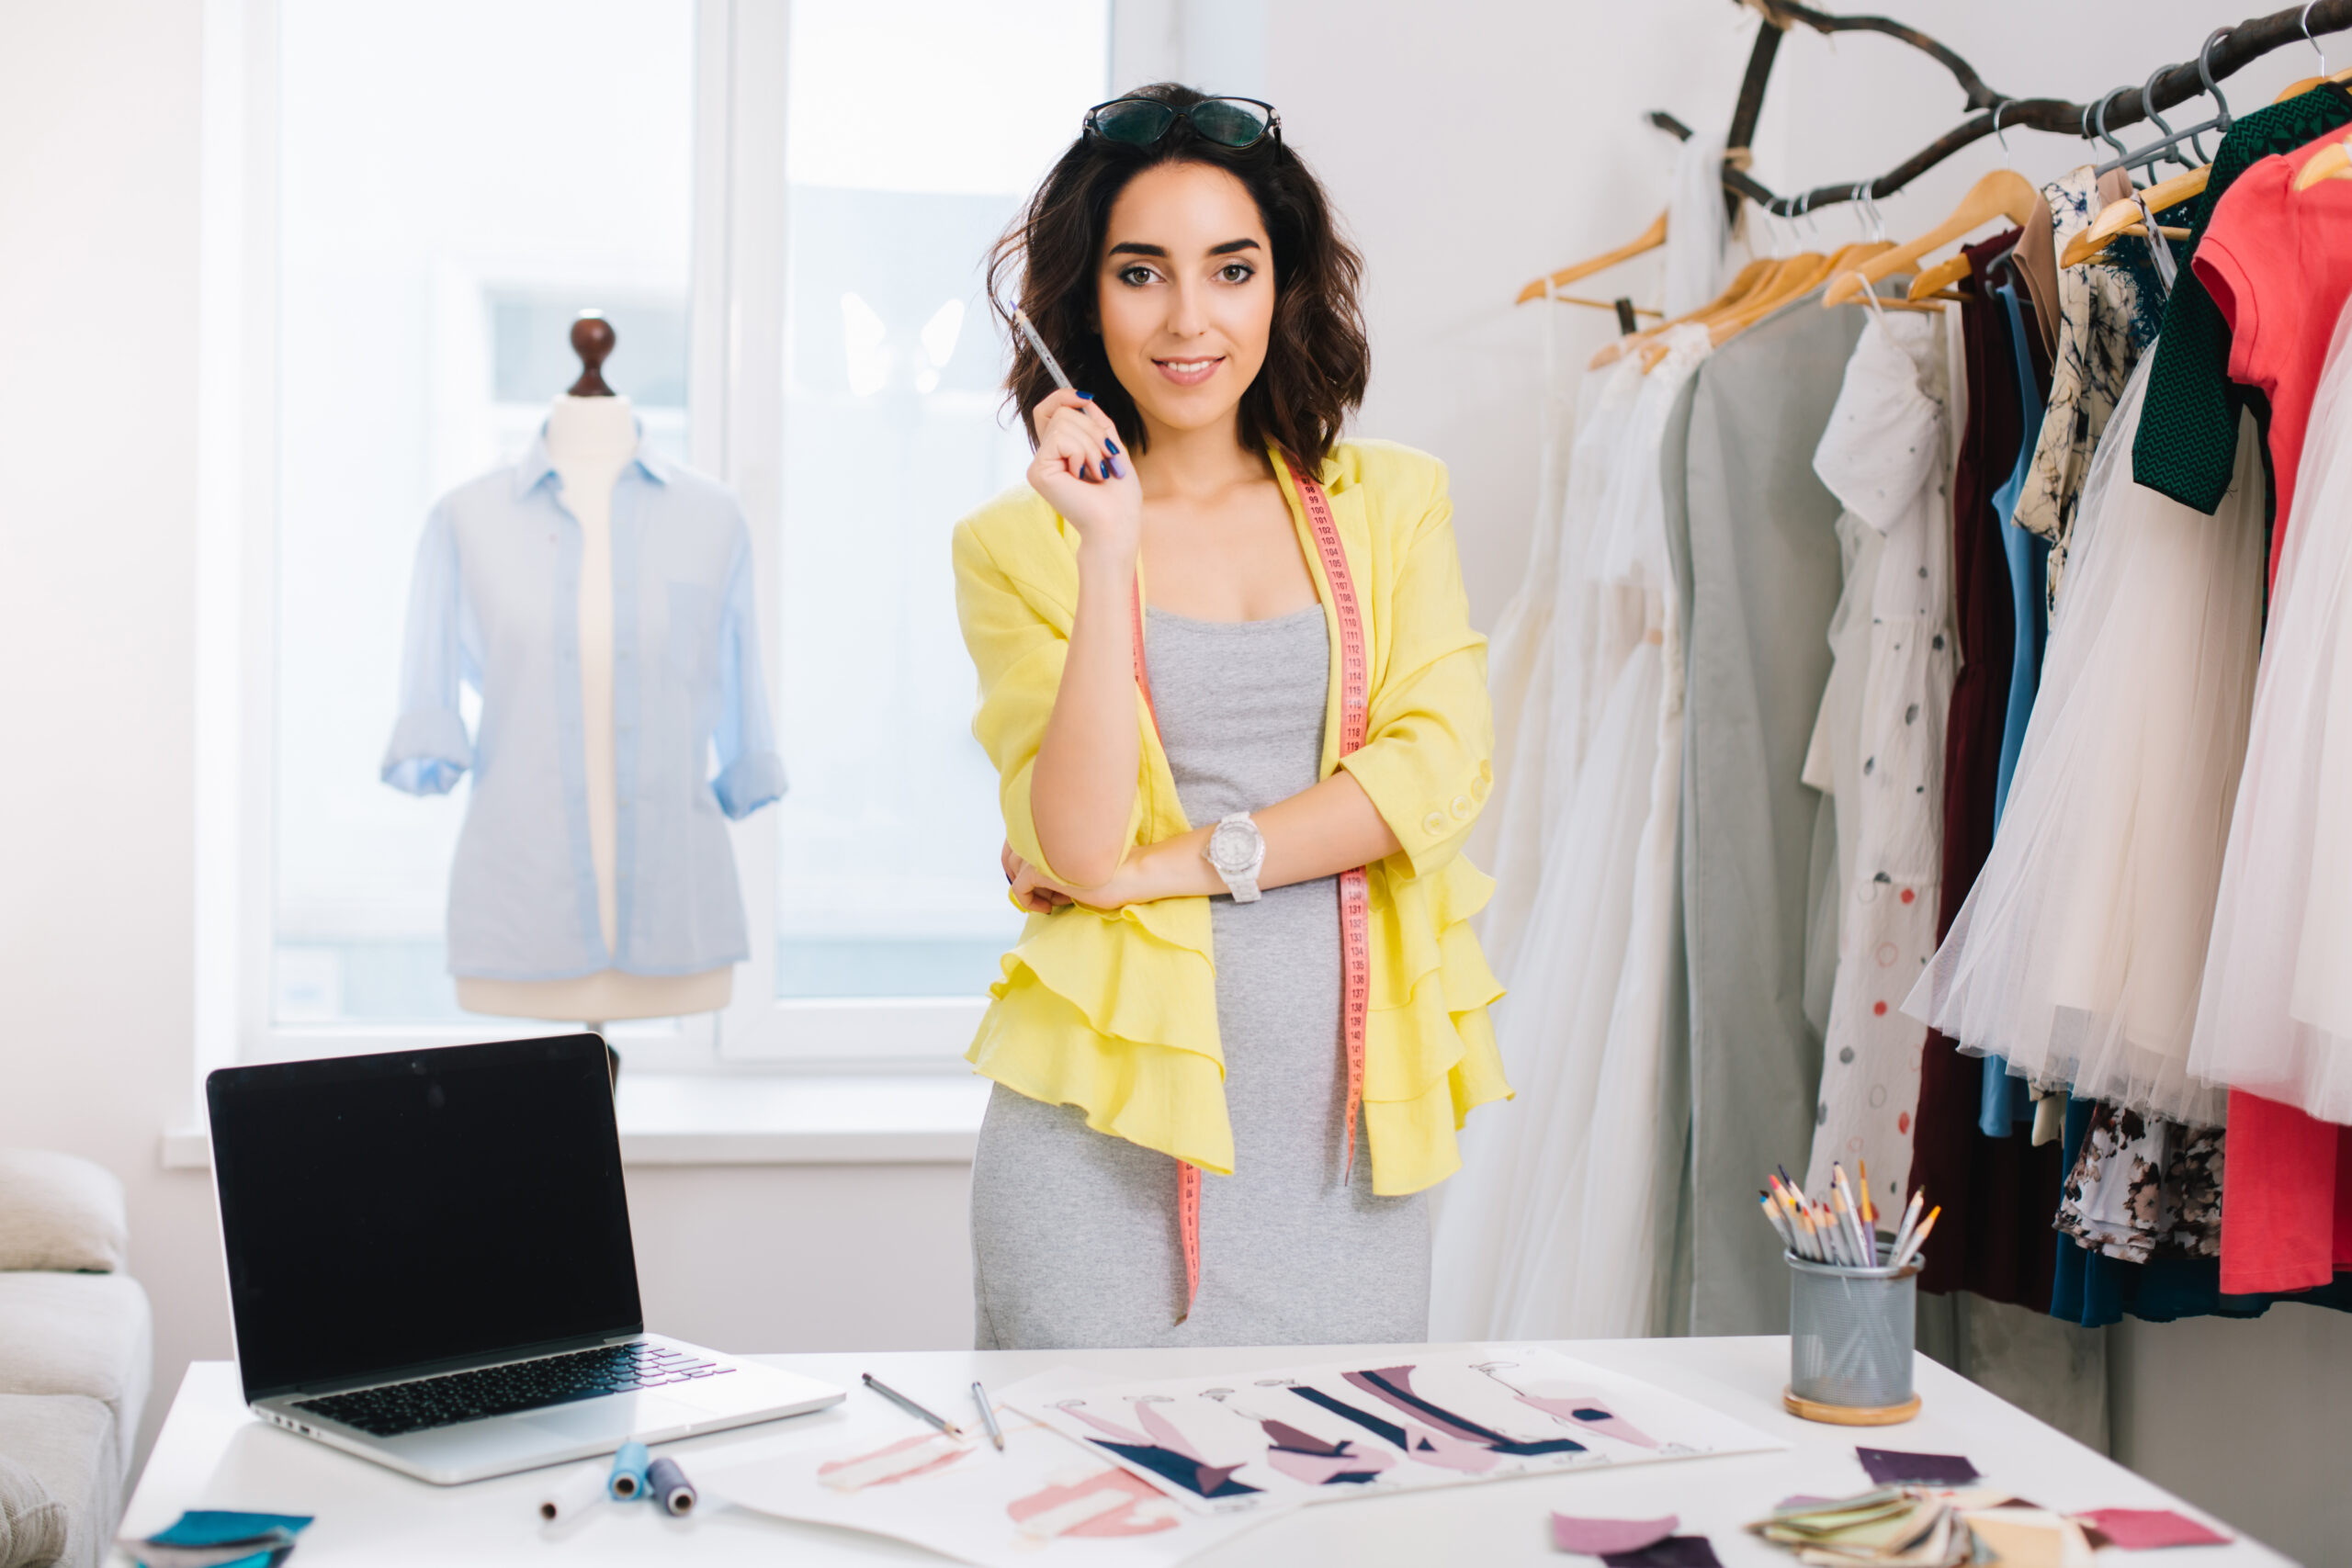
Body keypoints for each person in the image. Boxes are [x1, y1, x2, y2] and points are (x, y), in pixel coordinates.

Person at [955, 83, 1507, 1349]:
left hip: (1340, 1160)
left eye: (1233, 268)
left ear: (1286, 286)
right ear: (1084, 301)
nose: (1189, 319)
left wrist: (1175, 866)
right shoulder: (1015, 548)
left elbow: (1437, 771)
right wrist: (1107, 549)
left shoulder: (1394, 503)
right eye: (1140, 272)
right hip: (1097, 1157)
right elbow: (1075, 847)